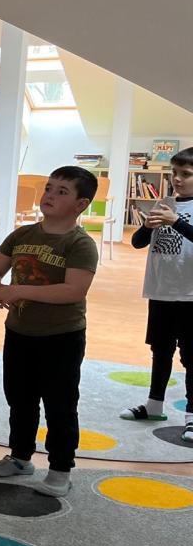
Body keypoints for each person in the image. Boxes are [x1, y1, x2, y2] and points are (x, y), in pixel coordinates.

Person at [0, 168, 100, 495]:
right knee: (20, 398)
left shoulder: (80, 243)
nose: (50, 195)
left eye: (62, 191)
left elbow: (74, 290)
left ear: (81, 204)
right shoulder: (22, 235)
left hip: (61, 337)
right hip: (19, 332)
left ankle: (60, 469)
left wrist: (18, 291)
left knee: (60, 404)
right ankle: (20, 457)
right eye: (49, 188)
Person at [123, 147, 193, 442]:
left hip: (190, 294)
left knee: (190, 356)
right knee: (160, 350)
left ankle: (192, 417)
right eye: (174, 173)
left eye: (186, 174)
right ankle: (154, 405)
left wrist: (176, 222)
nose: (177, 179)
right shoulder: (164, 202)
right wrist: (146, 225)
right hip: (161, 290)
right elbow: (139, 242)